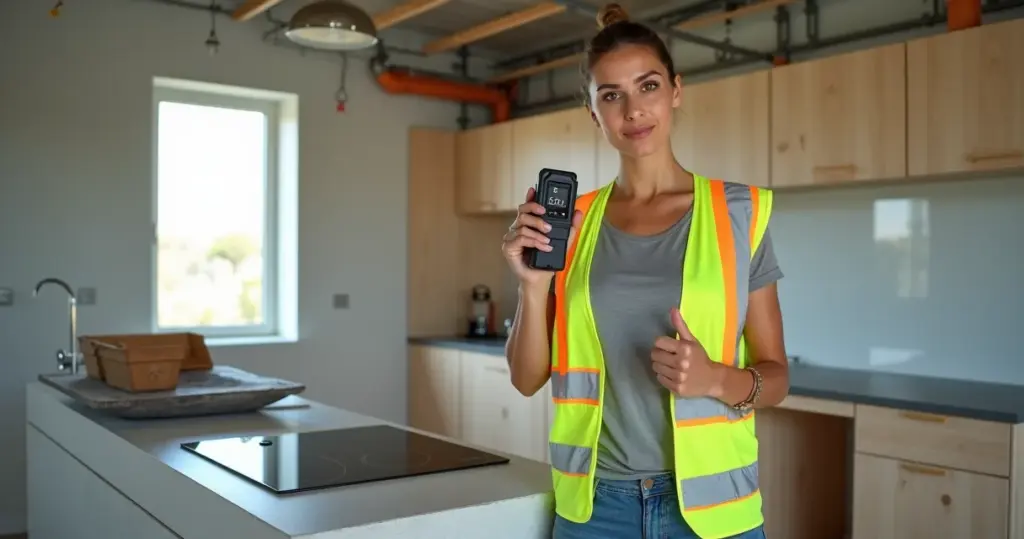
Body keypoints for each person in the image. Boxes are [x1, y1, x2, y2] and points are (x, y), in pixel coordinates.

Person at [500, 3, 790, 538]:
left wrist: (715, 379)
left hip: (713, 511)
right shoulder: (575, 224)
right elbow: (525, 379)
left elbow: (776, 376)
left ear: (676, 90)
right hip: (595, 509)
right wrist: (532, 285)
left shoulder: (739, 213)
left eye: (648, 86)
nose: (633, 110)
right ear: (593, 112)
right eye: (611, 95)